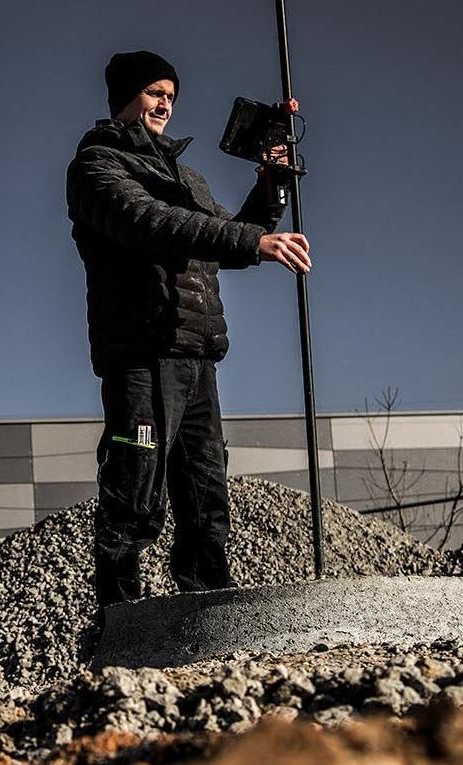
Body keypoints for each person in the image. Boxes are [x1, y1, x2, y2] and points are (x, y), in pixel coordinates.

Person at [66, 50, 311, 606]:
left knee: (206, 490)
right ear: (126, 96)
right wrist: (252, 242)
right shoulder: (96, 167)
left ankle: (207, 606)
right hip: (142, 353)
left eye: (171, 97)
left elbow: (234, 232)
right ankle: (119, 614)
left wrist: (272, 181)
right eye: (155, 93)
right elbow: (152, 223)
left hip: (197, 354)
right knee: (135, 484)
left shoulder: (188, 179)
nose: (165, 106)